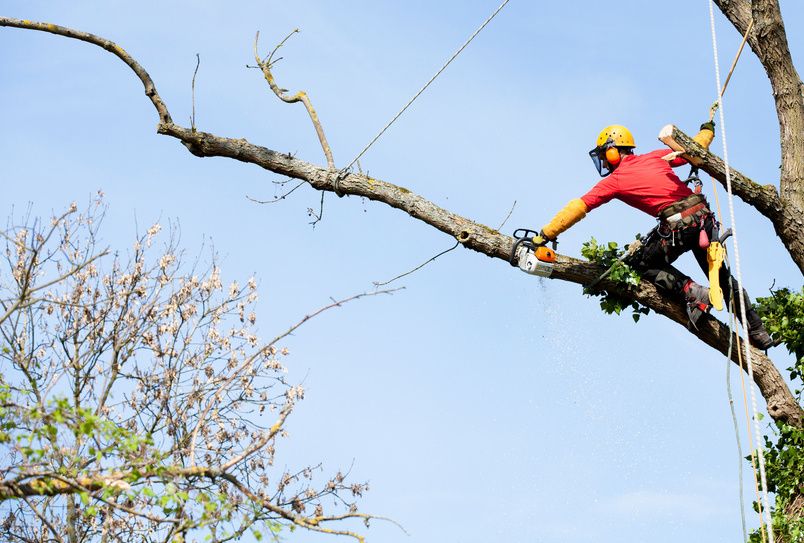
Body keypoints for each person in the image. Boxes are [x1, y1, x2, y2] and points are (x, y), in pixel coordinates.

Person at [534, 124, 774, 349]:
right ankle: (758, 332)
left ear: (612, 152)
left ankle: (693, 292)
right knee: (722, 279)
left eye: (604, 155)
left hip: (679, 226)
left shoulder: (615, 181)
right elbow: (693, 147)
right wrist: (706, 131)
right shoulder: (655, 157)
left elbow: (579, 206)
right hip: (703, 219)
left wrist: (545, 234)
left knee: (641, 264)